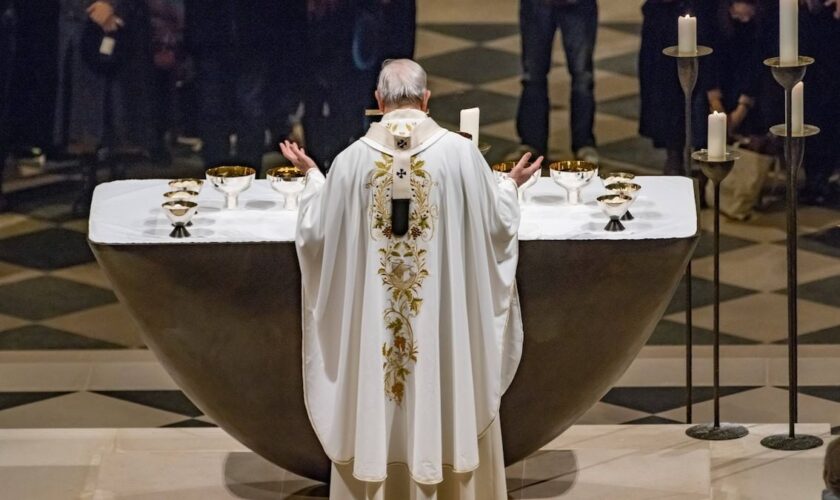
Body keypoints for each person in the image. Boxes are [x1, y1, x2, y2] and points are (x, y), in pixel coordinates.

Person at [281, 59, 542, 499]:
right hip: (440, 332)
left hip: (376, 338)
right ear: (426, 99)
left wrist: (311, 177)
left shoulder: (349, 163)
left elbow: (314, 234)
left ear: (379, 102)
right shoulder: (461, 155)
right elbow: (496, 224)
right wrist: (510, 187)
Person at [514, 0, 598, 164]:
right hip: (536, 5)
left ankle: (584, 143)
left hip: (579, 5)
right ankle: (531, 143)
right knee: (533, 75)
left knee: (582, 77)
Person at [800, 0, 840, 205]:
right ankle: (813, 177)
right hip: (807, 41)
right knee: (809, 114)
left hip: (831, 43)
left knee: (829, 116)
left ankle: (822, 177)